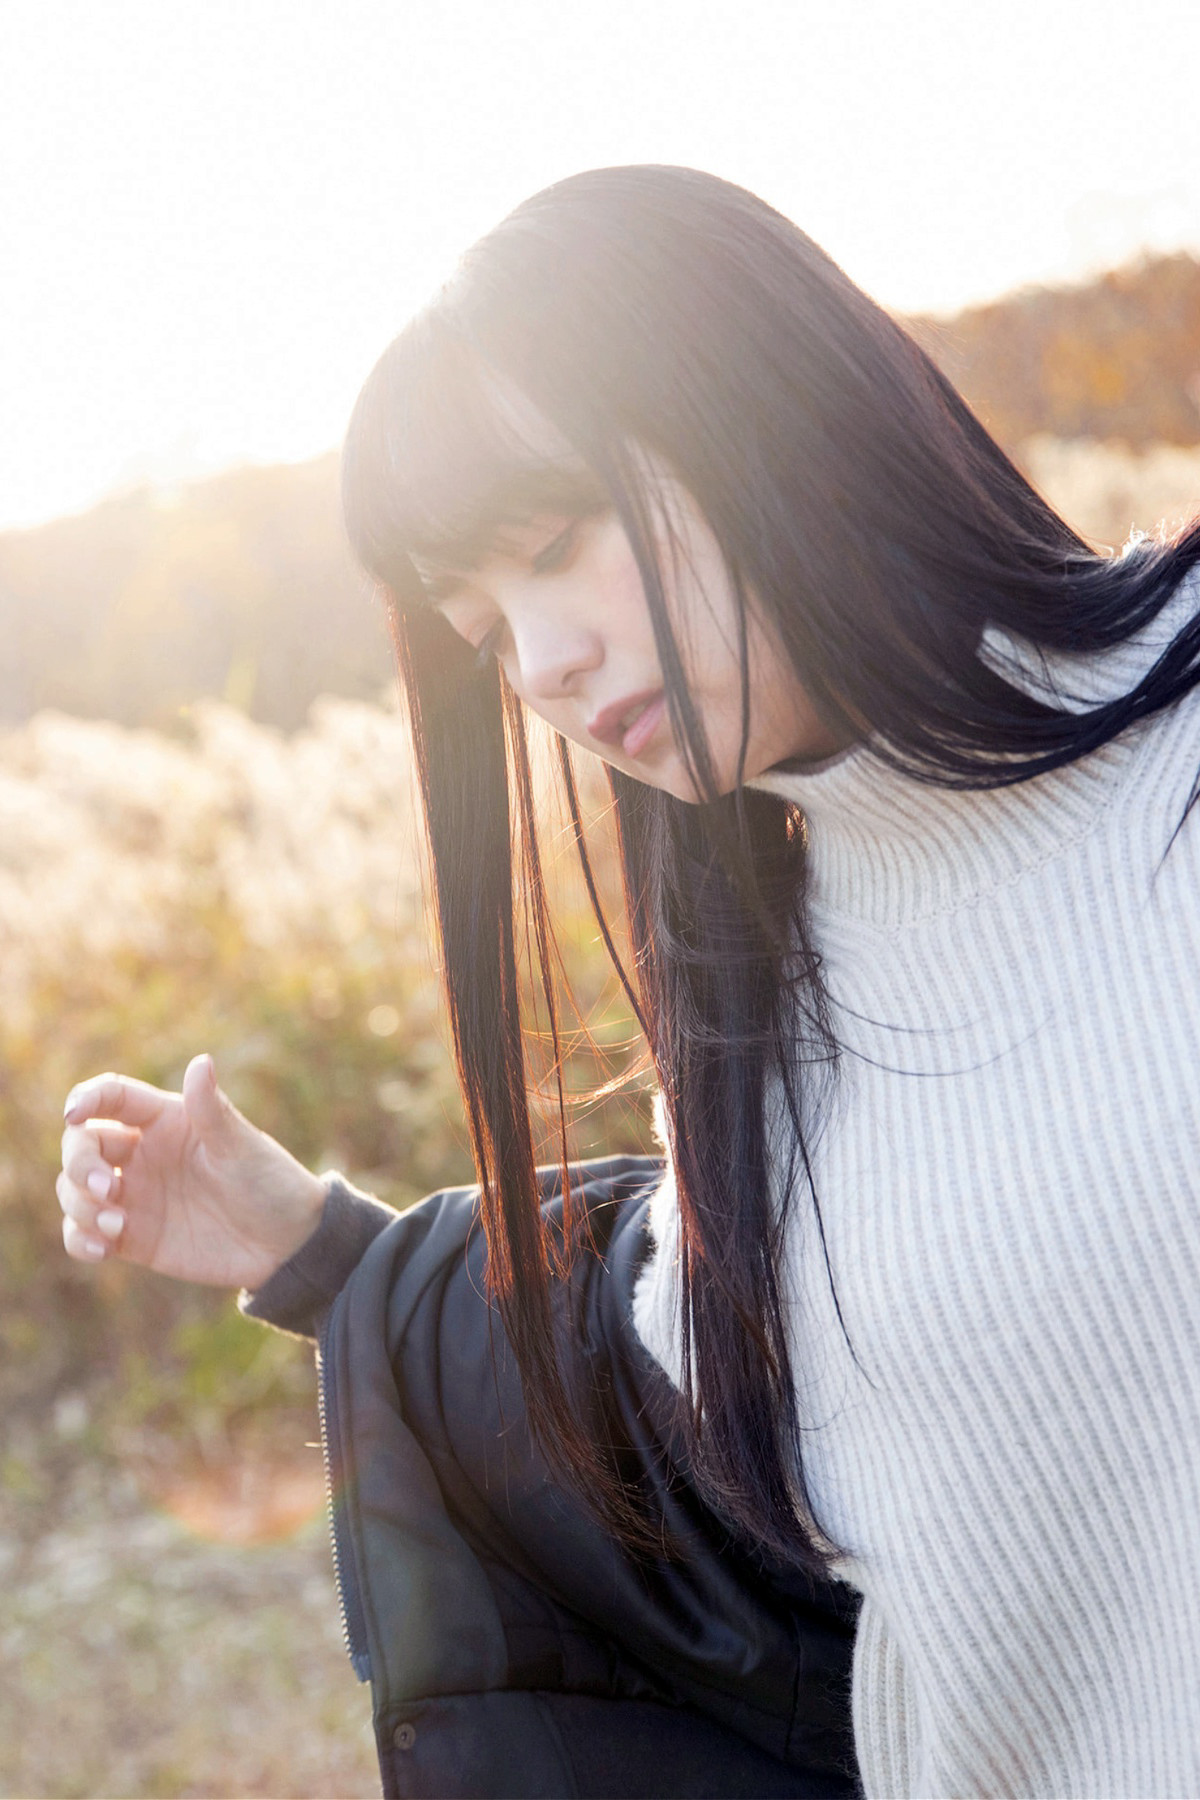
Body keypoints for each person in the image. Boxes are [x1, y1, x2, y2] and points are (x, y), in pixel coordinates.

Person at [57, 165, 1200, 1798]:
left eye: (560, 541)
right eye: (484, 629)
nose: (546, 669)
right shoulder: (763, 1017)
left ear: (762, 401)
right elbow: (657, 1447)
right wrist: (320, 1254)